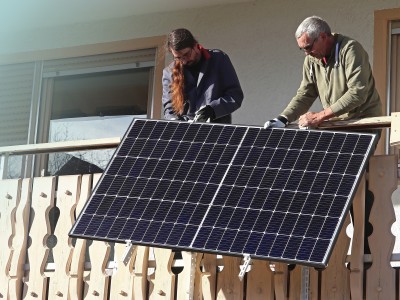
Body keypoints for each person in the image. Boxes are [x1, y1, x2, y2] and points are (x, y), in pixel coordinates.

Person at [264, 16, 382, 129]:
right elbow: (306, 94)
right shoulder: (311, 59)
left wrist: (320, 116)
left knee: (354, 150)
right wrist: (283, 118)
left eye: (308, 47)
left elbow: (357, 93)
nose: (306, 53)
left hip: (362, 121)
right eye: (303, 49)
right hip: (335, 122)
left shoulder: (350, 50)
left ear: (323, 37)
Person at [162, 28, 244, 124]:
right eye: (178, 58)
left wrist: (212, 110)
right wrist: (174, 121)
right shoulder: (169, 72)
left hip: (216, 132)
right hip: (184, 134)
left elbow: (235, 95)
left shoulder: (219, 59)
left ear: (195, 45)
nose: (184, 61)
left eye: (187, 54)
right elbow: (169, 109)